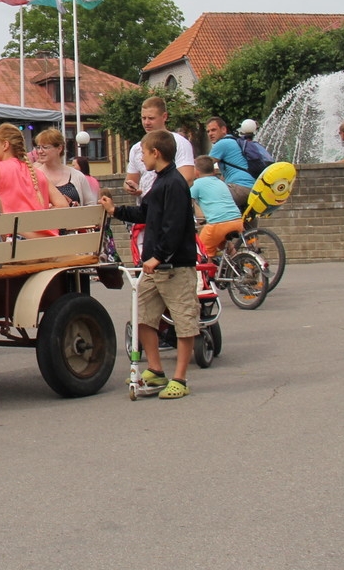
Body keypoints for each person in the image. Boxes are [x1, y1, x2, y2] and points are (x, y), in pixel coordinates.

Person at [99, 130, 198, 400]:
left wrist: (159, 256)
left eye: (143, 152)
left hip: (175, 266)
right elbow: (146, 214)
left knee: (183, 320)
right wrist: (115, 211)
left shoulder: (175, 184)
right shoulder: (158, 182)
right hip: (154, 266)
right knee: (143, 316)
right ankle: (155, 369)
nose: (141, 158)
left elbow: (174, 227)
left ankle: (180, 377)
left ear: (157, 153)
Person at [0, 123, 69, 218]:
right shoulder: (37, 172)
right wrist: (40, 216)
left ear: (5, 145)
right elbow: (63, 205)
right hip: (46, 231)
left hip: (14, 231)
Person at [124, 96, 196, 197]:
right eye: (143, 118)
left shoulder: (179, 142)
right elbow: (130, 180)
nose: (146, 123)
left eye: (151, 118)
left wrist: (159, 197)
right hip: (145, 208)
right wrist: (131, 187)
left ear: (164, 116)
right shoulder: (137, 148)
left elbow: (187, 178)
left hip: (170, 206)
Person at [190, 156, 244, 258]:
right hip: (237, 221)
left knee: (202, 251)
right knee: (222, 243)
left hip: (219, 224)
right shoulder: (221, 183)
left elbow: (185, 203)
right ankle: (237, 264)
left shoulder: (196, 184)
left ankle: (209, 273)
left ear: (196, 172)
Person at [33, 127, 97, 206]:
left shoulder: (77, 176)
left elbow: (91, 205)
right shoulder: (33, 176)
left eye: (45, 147)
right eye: (38, 147)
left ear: (59, 148)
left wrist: (78, 208)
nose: (40, 151)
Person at [205, 116, 257, 210]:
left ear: (223, 129)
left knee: (205, 194)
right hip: (253, 189)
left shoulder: (222, 144)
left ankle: (203, 220)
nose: (210, 134)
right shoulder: (235, 141)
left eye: (213, 130)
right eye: (208, 131)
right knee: (245, 224)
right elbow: (225, 176)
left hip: (239, 188)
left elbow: (202, 166)